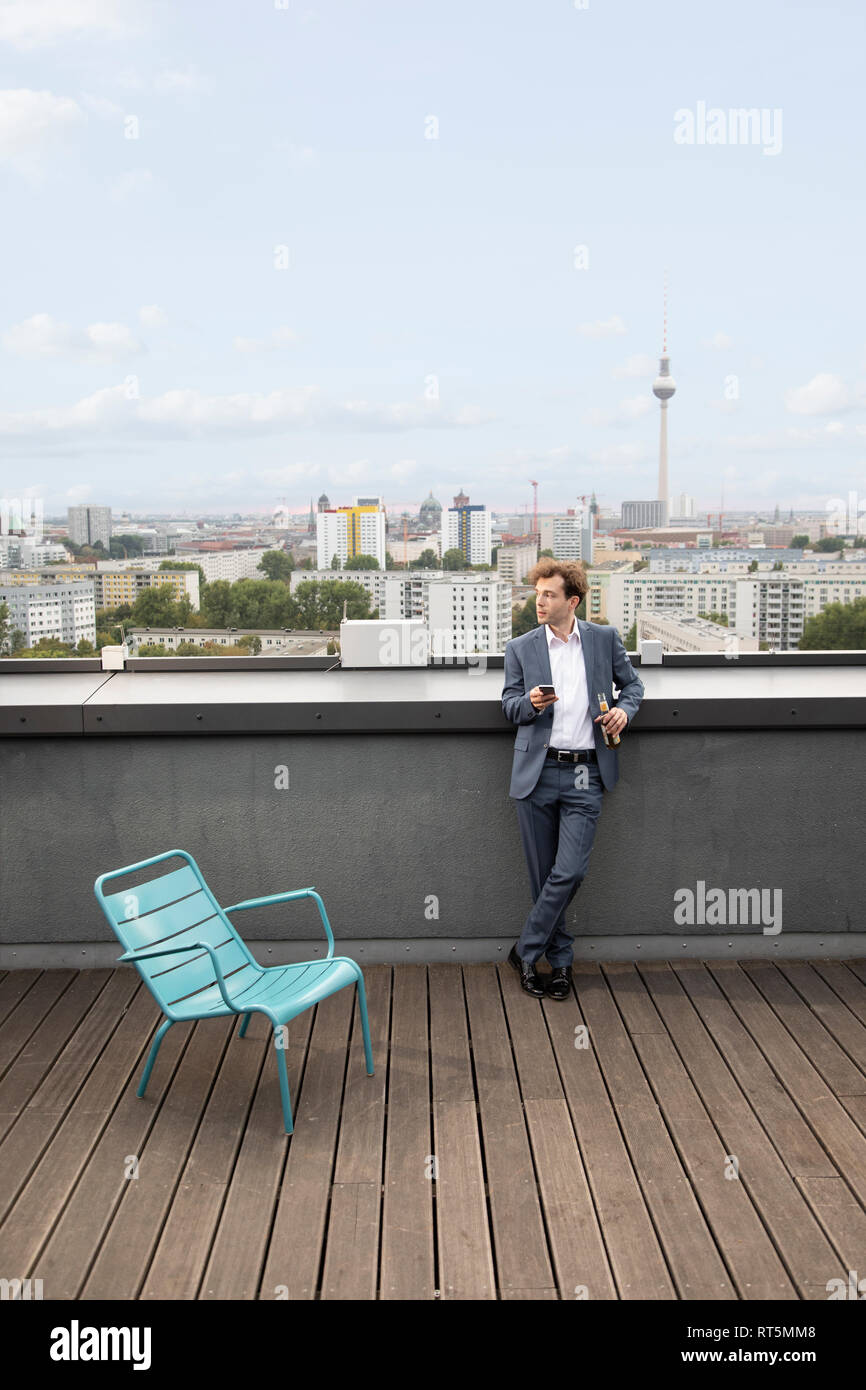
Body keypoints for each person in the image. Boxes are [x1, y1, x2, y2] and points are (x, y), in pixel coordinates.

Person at [501, 558, 645, 999]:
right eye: (537, 594)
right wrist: (530, 703)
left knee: (570, 871)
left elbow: (633, 686)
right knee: (543, 876)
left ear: (573, 601)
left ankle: (526, 951)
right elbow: (508, 705)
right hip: (537, 773)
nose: (539, 602)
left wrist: (624, 709)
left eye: (549, 595)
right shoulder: (521, 647)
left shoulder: (603, 640)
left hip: (587, 771)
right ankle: (559, 964)